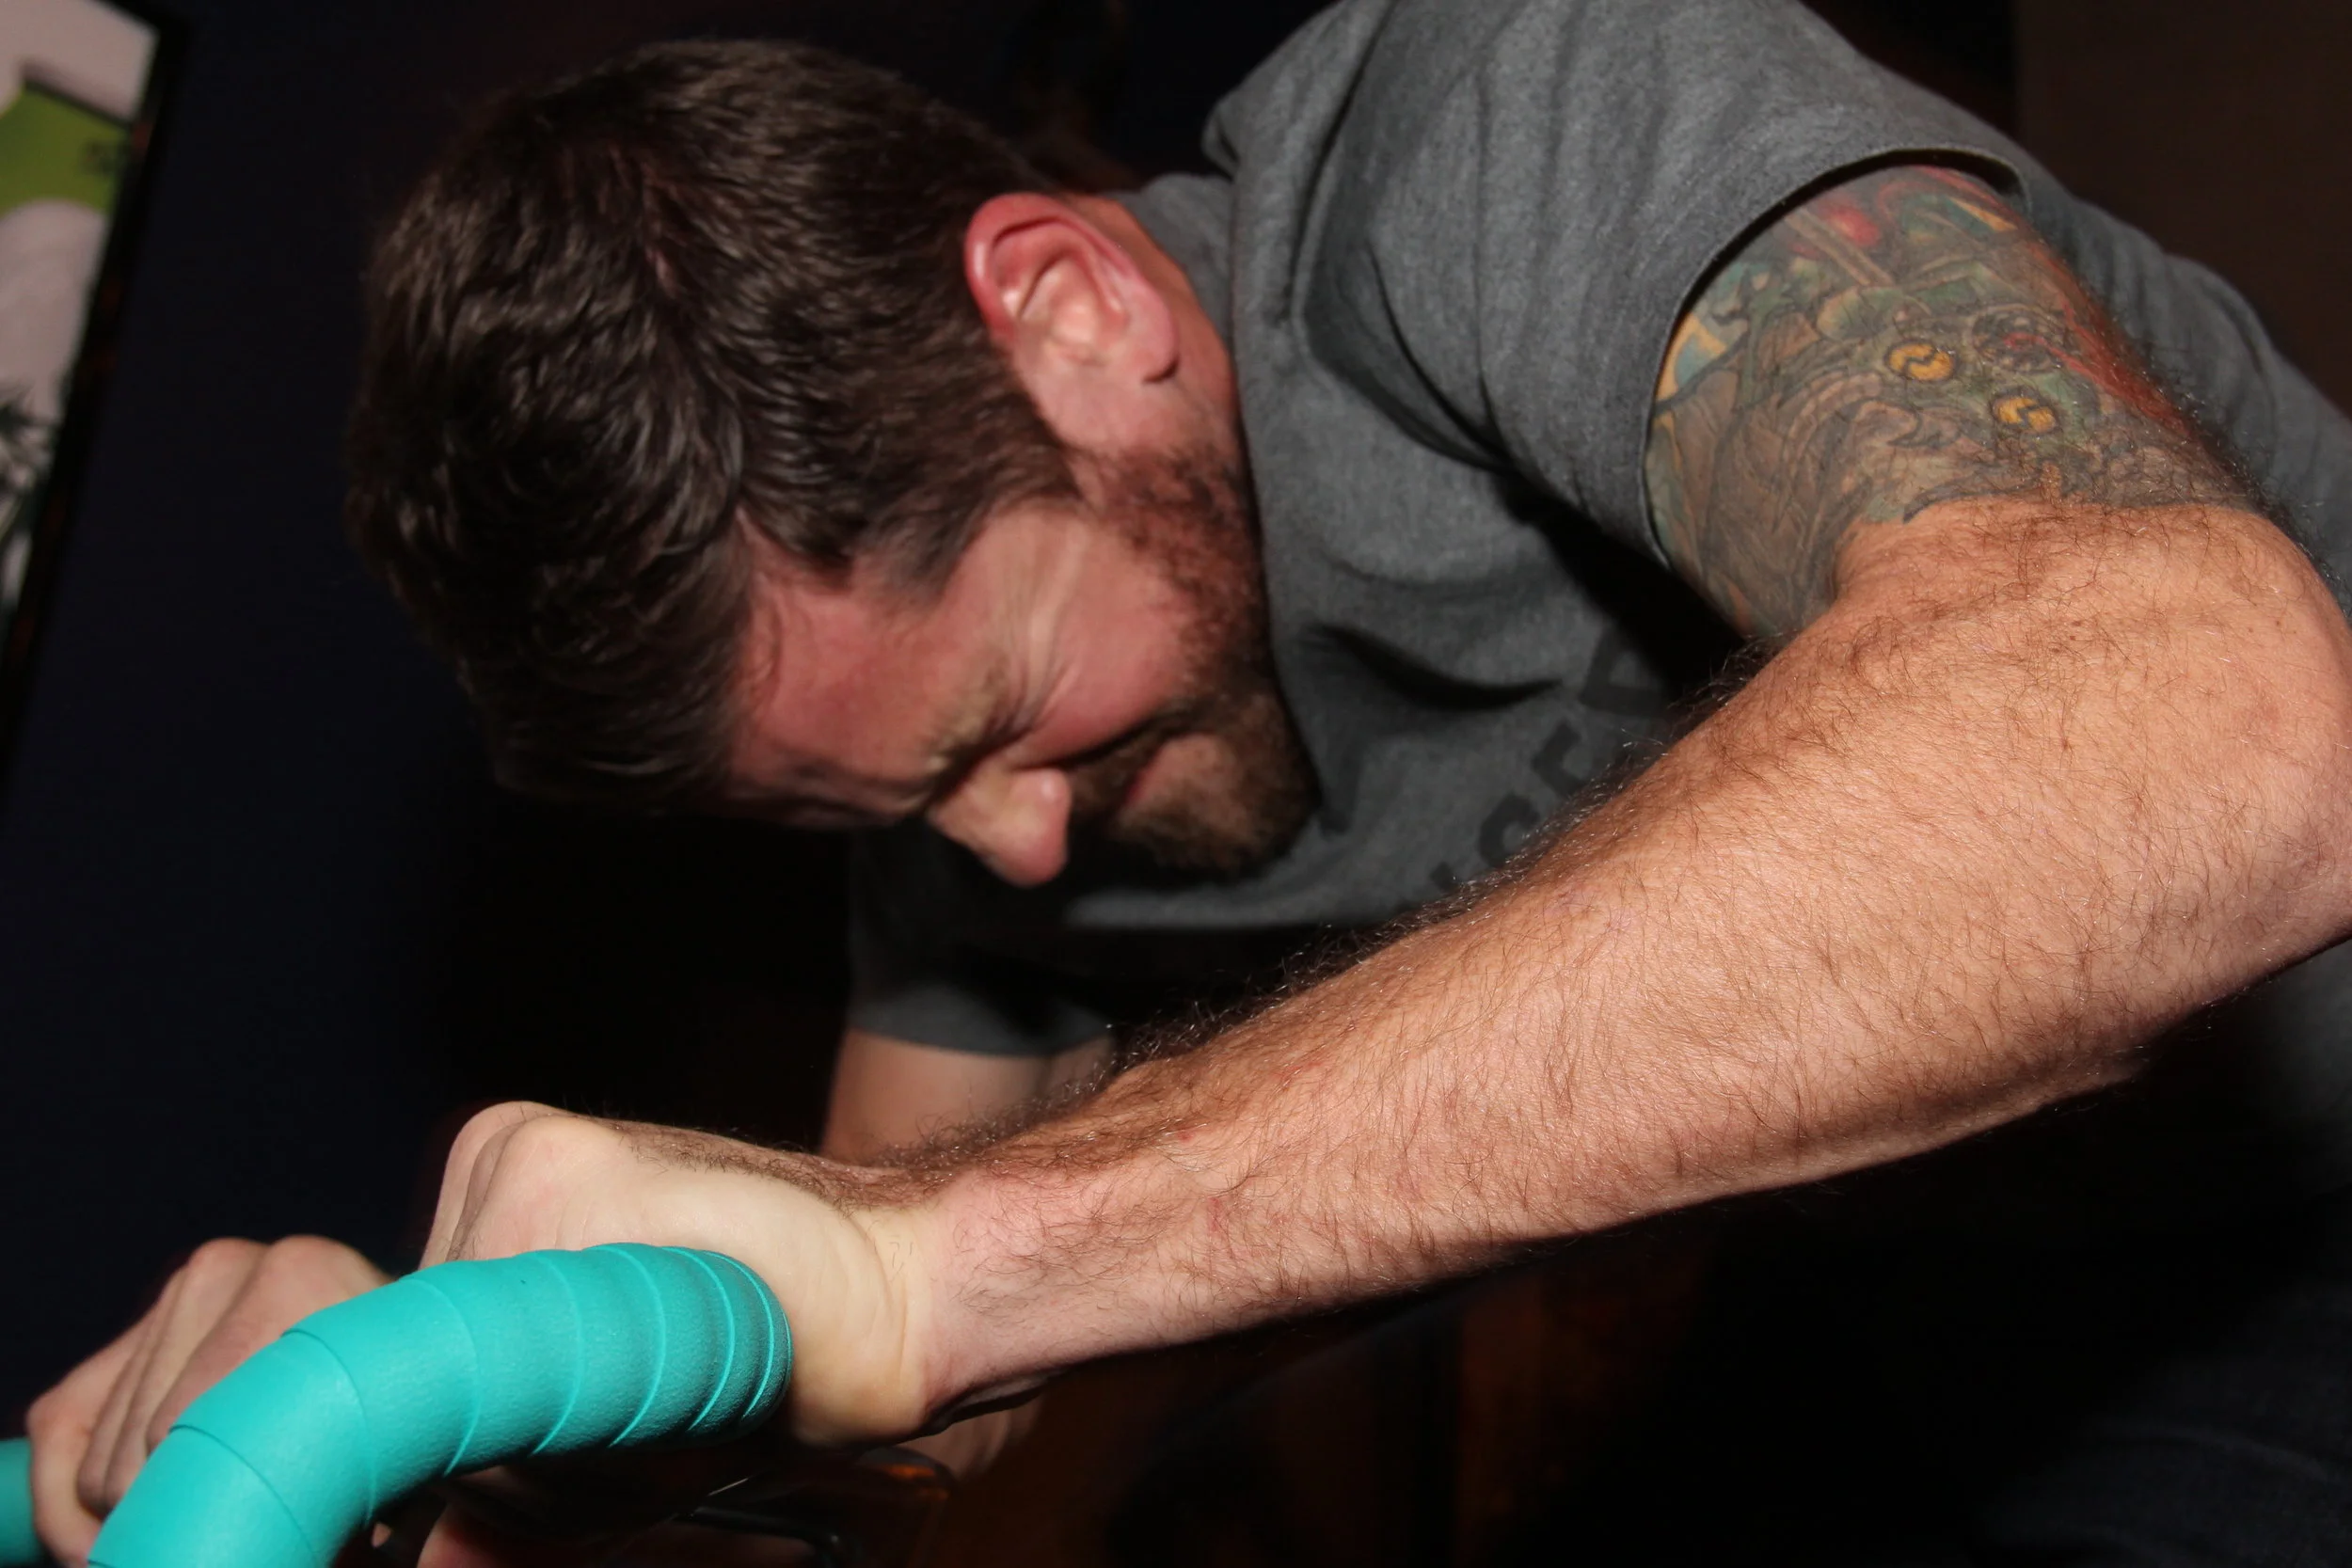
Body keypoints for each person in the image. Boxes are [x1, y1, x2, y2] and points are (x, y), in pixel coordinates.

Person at [27, 0, 2352, 1562]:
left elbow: (2194, 729)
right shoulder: (960, 794)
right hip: (1923, 1244)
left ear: (1073, 312)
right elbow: (916, 1420)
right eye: (886, 811)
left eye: (1008, 717)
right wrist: (481, 1426)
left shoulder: (1501, 122)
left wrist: (952, 1252)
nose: (1013, 846)